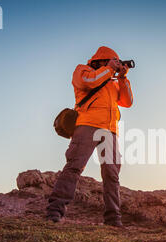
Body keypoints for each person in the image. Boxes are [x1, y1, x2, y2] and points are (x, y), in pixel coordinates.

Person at [46, 46, 133, 227]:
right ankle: (54, 211)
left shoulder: (112, 81)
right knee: (74, 167)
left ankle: (113, 219)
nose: (116, 65)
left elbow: (127, 102)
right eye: (113, 61)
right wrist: (109, 69)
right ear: (101, 60)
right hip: (87, 125)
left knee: (112, 175)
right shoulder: (82, 70)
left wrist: (123, 78)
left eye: (117, 62)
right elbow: (89, 82)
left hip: (110, 130)